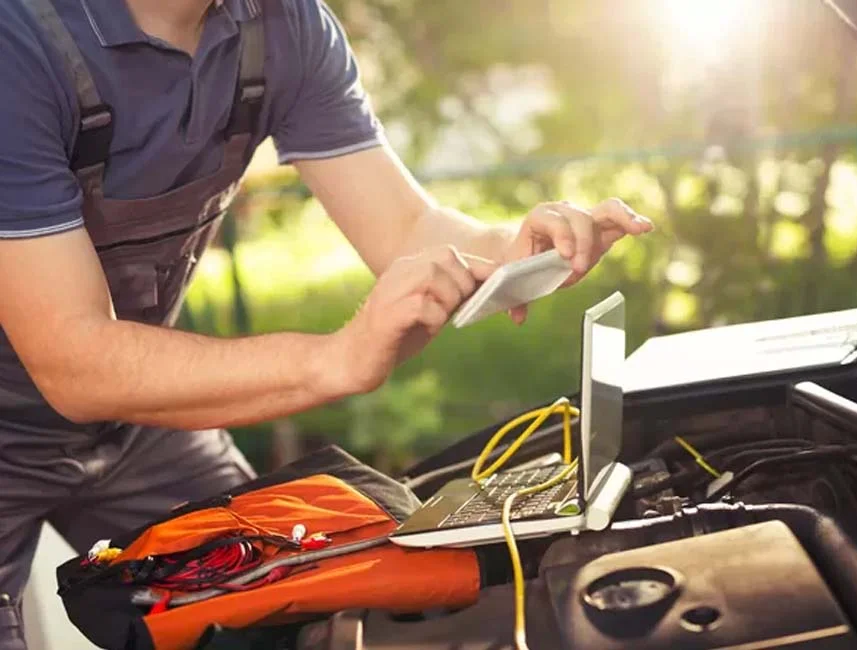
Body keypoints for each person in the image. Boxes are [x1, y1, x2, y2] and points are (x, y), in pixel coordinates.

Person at [0, 0, 652, 646]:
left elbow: (406, 230)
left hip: (140, 426)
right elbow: (75, 362)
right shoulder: (18, 42)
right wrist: (335, 358)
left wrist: (519, 251)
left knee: (301, 601)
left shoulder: (286, 26)